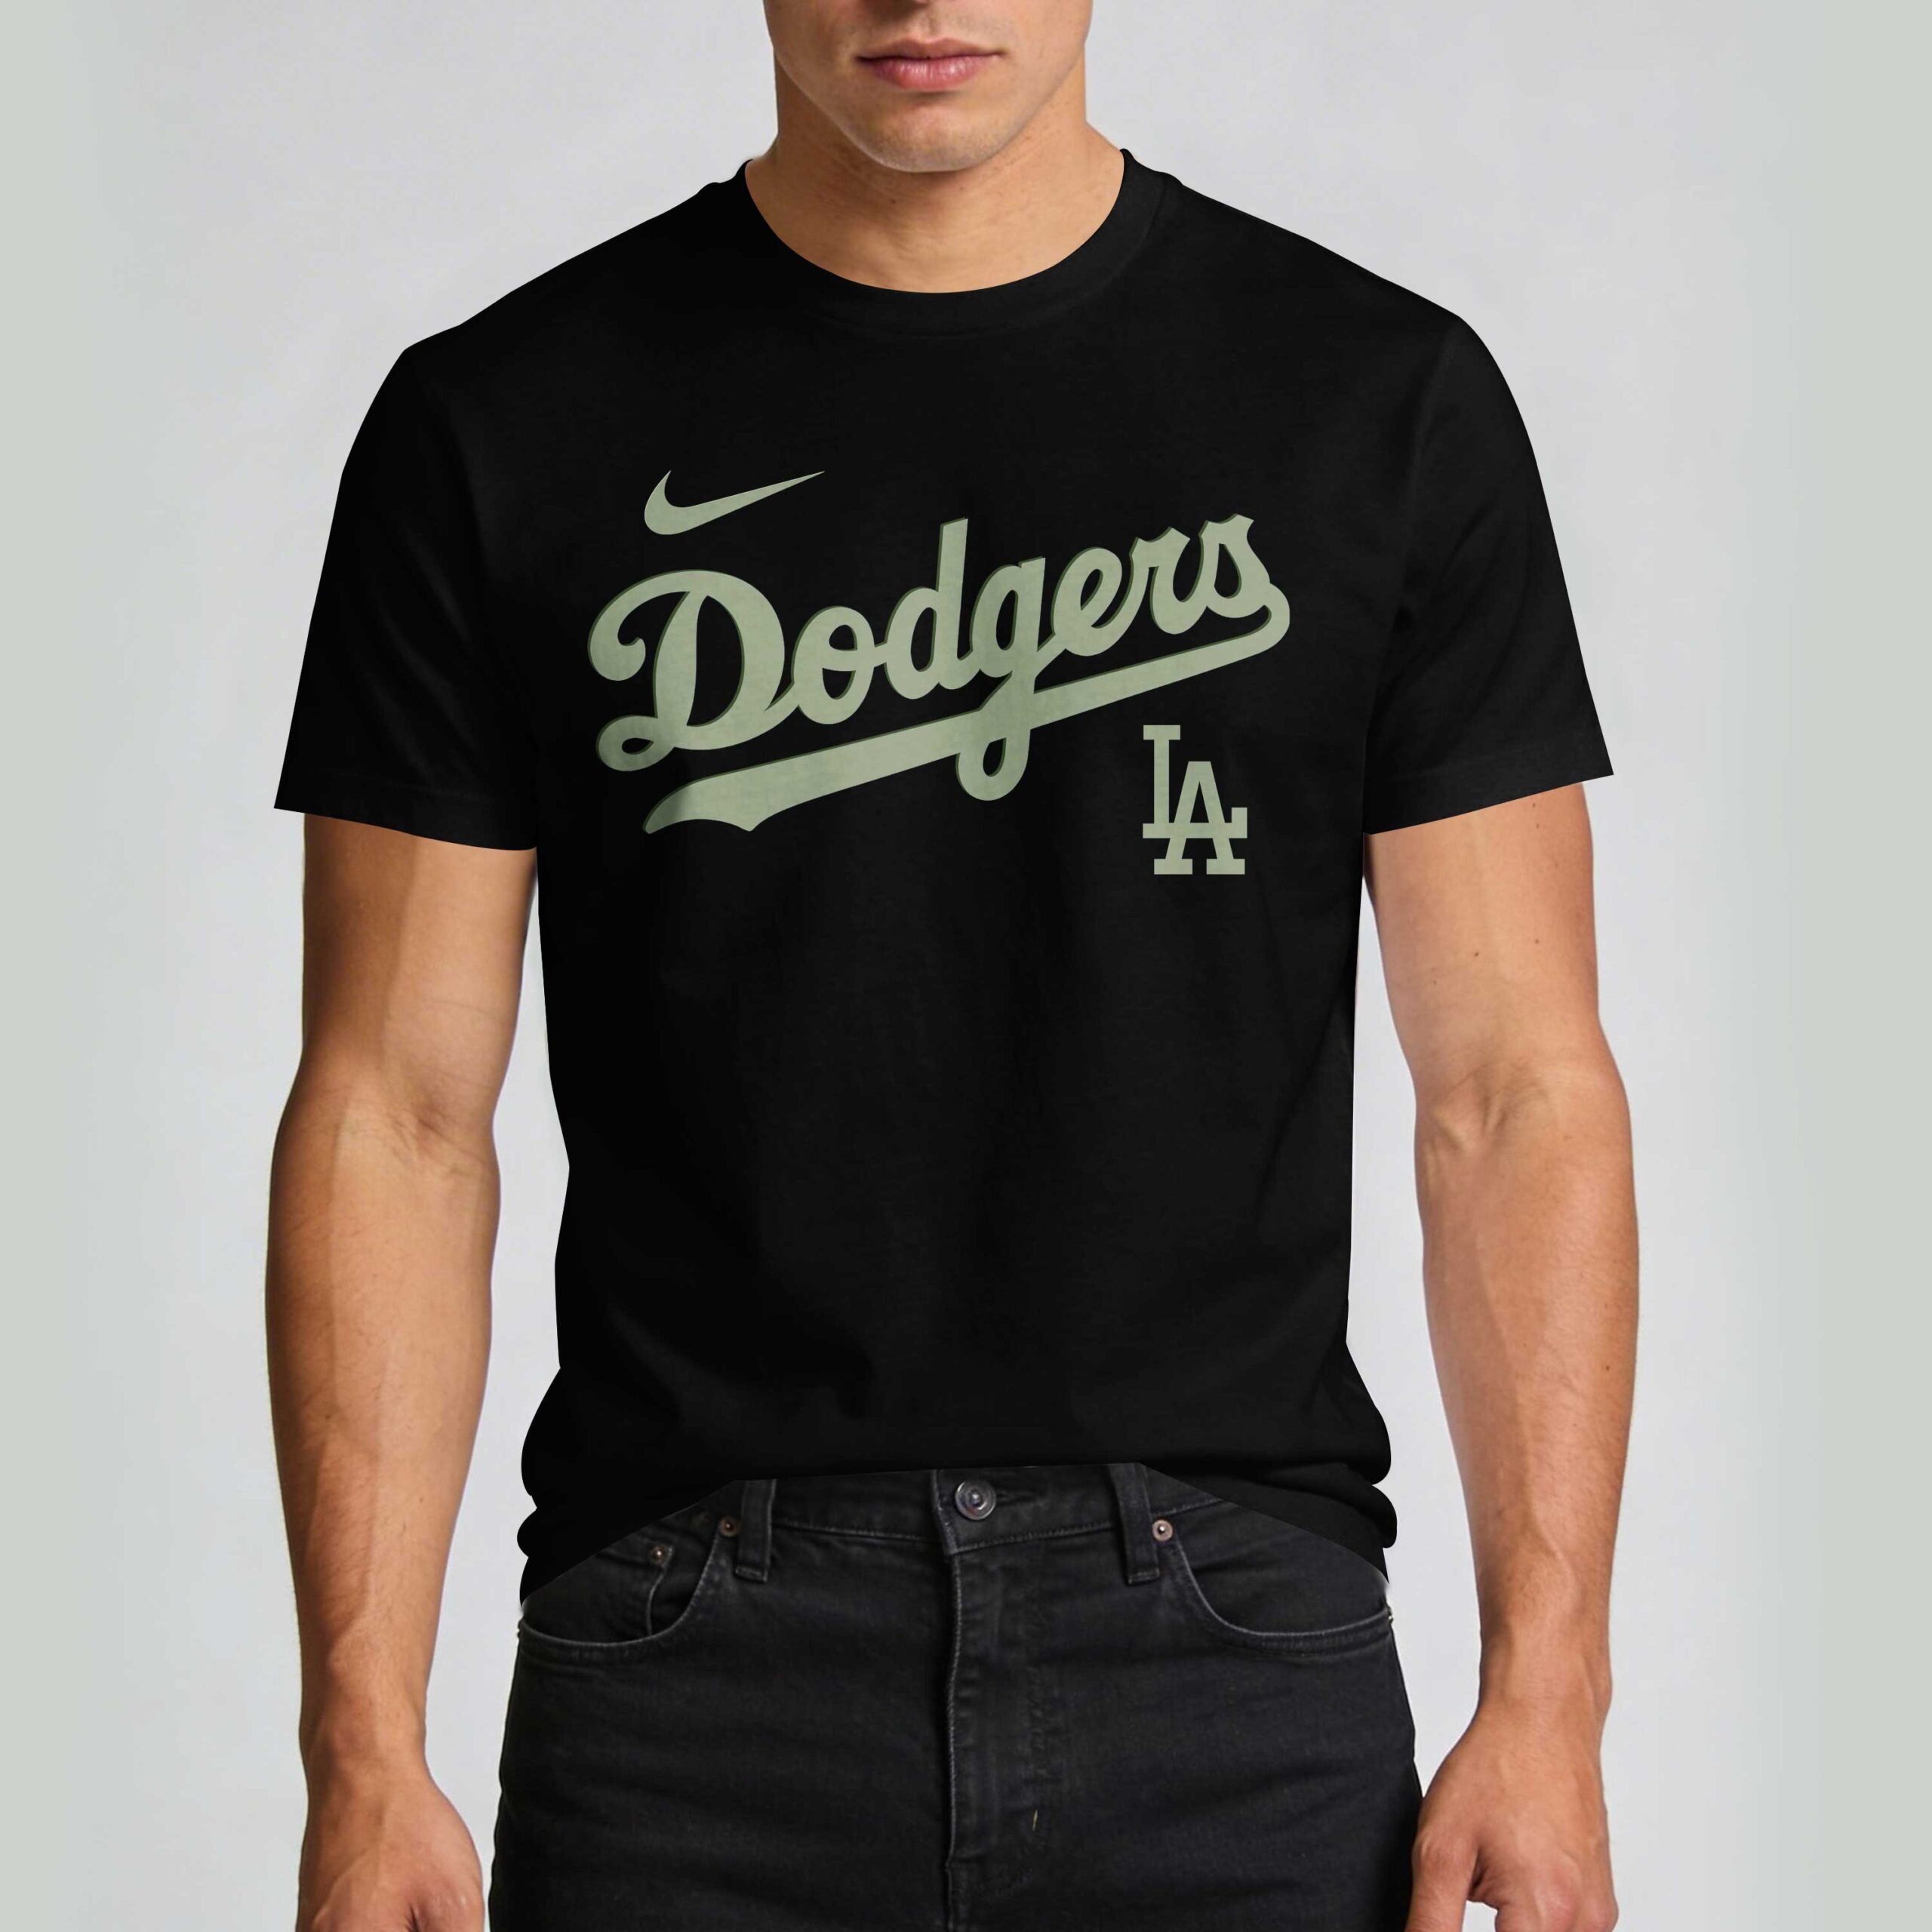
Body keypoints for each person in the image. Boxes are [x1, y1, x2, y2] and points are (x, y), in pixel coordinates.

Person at [268, 5, 1635, 1929]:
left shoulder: (1372, 399)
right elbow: (392, 1111)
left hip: (1232, 1668)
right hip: (687, 1691)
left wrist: (1549, 1695)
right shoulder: (498, 424)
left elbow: (1511, 1092)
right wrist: (359, 1743)